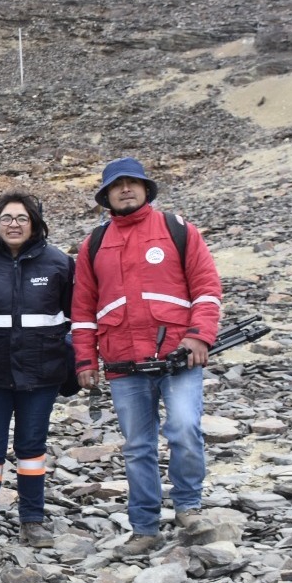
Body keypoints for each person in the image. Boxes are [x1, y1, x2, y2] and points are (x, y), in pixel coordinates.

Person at [71, 158, 222, 558]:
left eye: (132, 183)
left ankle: (188, 508)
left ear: (146, 189)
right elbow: (83, 308)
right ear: (105, 195)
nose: (125, 190)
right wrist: (86, 361)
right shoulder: (95, 243)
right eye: (116, 185)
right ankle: (145, 527)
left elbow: (206, 287)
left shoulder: (177, 230)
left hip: (178, 357)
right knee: (138, 447)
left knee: (186, 429)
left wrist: (200, 336)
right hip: (123, 364)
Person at [0, 192, 74, 554]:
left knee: (32, 449)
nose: (14, 224)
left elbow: (75, 316)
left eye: (22, 218)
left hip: (41, 373)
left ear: (34, 223)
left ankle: (33, 521)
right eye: (7, 218)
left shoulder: (58, 263)